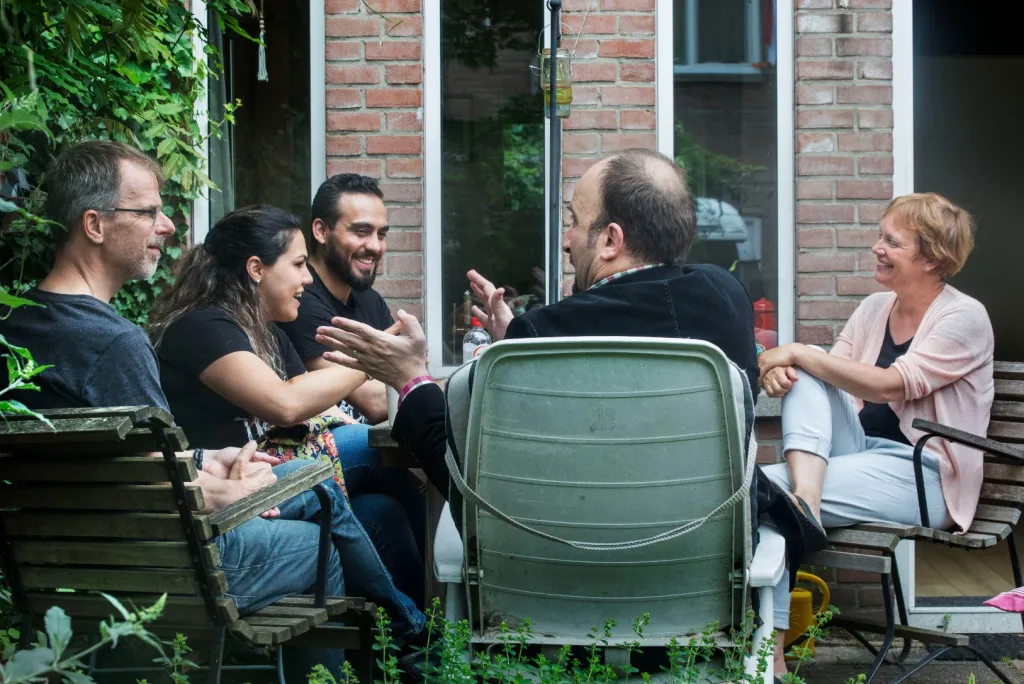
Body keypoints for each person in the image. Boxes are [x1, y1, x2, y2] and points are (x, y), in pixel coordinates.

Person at [0, 141, 416, 679]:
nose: (168, 225)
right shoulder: (114, 343)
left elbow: (120, 465)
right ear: (95, 226)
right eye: (148, 211)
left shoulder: (15, 328)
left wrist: (205, 458)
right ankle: (396, 646)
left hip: (62, 568)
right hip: (156, 567)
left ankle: (409, 636)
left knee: (320, 487)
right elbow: (159, 494)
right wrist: (231, 489)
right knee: (319, 544)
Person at [148, 204, 428, 614]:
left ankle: (414, 636)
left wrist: (385, 362)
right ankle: (421, 632)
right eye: (298, 264)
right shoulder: (201, 327)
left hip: (273, 472)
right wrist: (380, 360)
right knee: (376, 449)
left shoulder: (268, 332)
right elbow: (286, 404)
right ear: (257, 269)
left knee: (379, 510)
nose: (307, 278)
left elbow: (309, 407)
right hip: (224, 490)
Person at [756, 192, 993, 674]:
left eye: (892, 242)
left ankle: (771, 656)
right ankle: (809, 500)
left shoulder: (964, 317)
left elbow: (890, 386)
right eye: (879, 237)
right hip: (861, 452)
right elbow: (828, 373)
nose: (876, 248)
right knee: (810, 375)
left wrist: (793, 352)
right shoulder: (873, 307)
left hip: (926, 474)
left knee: (760, 490)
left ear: (931, 259)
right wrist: (773, 369)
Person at [276, 174, 427, 600]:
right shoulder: (302, 302)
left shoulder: (368, 302)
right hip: (311, 452)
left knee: (383, 512)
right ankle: (437, 630)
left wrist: (408, 375)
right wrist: (407, 373)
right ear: (321, 231)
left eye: (381, 233)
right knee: (421, 474)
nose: (375, 246)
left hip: (348, 471)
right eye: (361, 231)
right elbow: (379, 404)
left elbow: (401, 386)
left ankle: (423, 636)